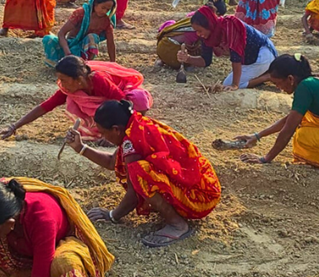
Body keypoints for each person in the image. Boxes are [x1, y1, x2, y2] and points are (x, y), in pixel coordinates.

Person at [65, 100, 222, 248]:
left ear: (115, 129)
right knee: (139, 171)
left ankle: (177, 225)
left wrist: (112, 215)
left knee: (140, 172)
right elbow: (112, 162)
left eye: (103, 132)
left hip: (200, 198)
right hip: (205, 188)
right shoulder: (135, 126)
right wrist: (80, 147)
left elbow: (134, 193)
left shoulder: (132, 140)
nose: (102, 137)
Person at [0, 55, 152, 141]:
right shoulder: (70, 88)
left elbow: (122, 104)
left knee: (138, 98)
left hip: (122, 98)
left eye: (64, 80)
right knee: (72, 100)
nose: (61, 84)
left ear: (79, 80)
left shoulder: (98, 80)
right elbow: (46, 106)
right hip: (107, 108)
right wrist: (14, 126)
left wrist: (116, 135)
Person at [177, 5, 277, 89]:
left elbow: (236, 56)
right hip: (249, 58)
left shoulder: (229, 26)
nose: (198, 34)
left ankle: (267, 76)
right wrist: (188, 59)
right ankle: (262, 73)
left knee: (228, 84)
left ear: (209, 25)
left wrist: (235, 85)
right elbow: (205, 61)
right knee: (230, 82)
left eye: (200, 30)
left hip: (263, 54)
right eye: (196, 31)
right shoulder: (208, 37)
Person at [43, 0, 117, 67]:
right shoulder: (81, 14)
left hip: (82, 51)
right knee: (48, 39)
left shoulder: (106, 21)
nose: (104, 11)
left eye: (108, 10)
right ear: (95, 3)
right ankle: (58, 63)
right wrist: (68, 53)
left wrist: (113, 63)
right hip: (69, 46)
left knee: (93, 37)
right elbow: (61, 33)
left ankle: (85, 65)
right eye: (103, 7)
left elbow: (110, 43)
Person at [156, 0, 227, 69]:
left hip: (161, 47)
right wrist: (188, 58)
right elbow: (206, 59)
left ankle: (163, 60)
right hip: (173, 53)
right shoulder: (204, 26)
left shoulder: (194, 16)